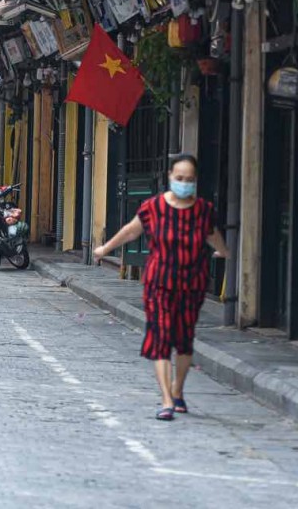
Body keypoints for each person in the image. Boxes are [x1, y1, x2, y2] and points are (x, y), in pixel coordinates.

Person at [93, 154, 230, 421]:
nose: (184, 183)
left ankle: (178, 391)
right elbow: (131, 231)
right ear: (170, 177)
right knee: (162, 337)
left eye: (189, 180)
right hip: (160, 285)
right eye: (179, 179)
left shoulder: (203, 210)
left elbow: (213, 235)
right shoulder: (153, 208)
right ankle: (166, 399)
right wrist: (105, 249)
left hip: (192, 285)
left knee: (184, 339)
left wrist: (223, 252)